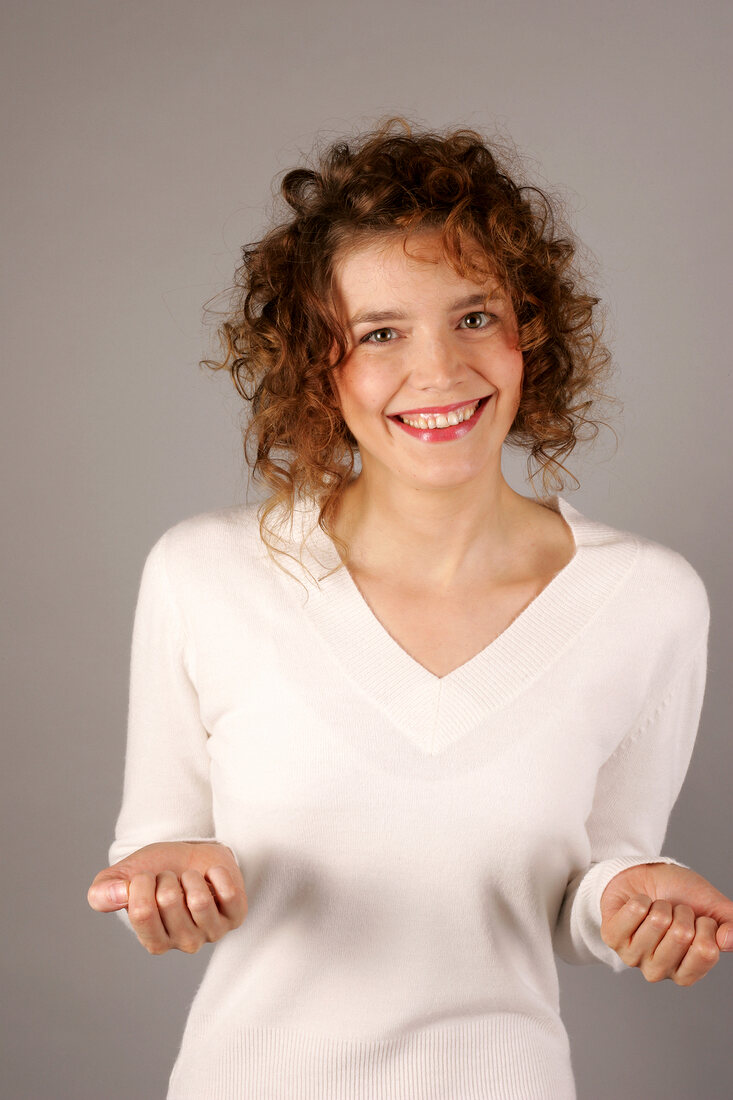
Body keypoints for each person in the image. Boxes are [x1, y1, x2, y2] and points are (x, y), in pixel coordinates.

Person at [88, 117, 732, 1100]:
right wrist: (167, 882)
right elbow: (155, 847)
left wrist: (637, 899)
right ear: (319, 363)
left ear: (531, 328)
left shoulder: (647, 601)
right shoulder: (203, 573)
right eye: (381, 332)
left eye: (474, 316)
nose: (439, 370)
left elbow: (595, 879)